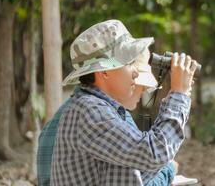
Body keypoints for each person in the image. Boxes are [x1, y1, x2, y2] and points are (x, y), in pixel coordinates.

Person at [38, 19, 197, 185]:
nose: (136, 72)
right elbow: (154, 153)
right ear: (105, 71)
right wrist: (179, 93)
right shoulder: (90, 111)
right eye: (129, 63)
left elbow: (135, 175)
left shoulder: (97, 109)